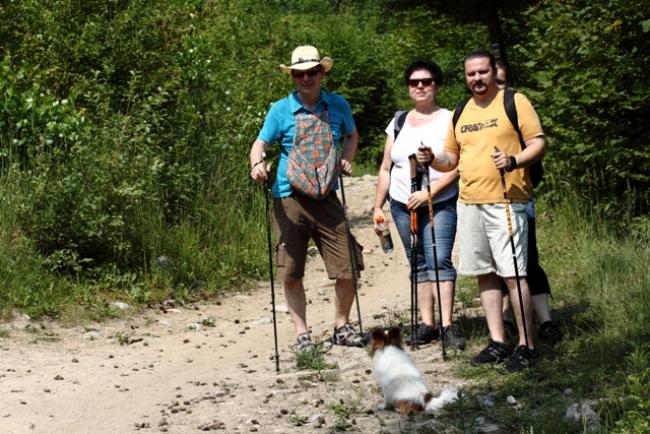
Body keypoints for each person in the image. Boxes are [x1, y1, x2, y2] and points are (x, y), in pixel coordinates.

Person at [417, 49, 547, 372]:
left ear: (492, 72)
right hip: (469, 203)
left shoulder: (515, 102)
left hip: (506, 200)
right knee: (484, 273)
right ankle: (498, 341)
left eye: (482, 72)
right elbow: (451, 159)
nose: (477, 78)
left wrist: (514, 161)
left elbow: (538, 142)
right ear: (465, 77)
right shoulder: (461, 112)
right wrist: (431, 159)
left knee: (514, 274)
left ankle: (527, 345)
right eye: (470, 74)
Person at [249, 45, 364, 352]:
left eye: (312, 72)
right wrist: (257, 165)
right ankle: (302, 334)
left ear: (321, 73)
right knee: (291, 268)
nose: (306, 78)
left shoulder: (338, 105)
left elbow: (352, 135)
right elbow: (259, 143)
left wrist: (348, 159)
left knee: (348, 265)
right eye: (300, 74)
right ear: (293, 77)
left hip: (327, 195)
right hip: (289, 197)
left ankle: (342, 326)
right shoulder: (280, 110)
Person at [372, 59, 465, 350]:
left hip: (439, 203)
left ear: (436, 85)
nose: (420, 86)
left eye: (426, 81)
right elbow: (386, 167)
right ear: (409, 87)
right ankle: (428, 324)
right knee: (418, 261)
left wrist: (430, 193)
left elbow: (458, 165)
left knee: (439, 261)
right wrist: (378, 207)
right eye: (414, 82)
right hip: (401, 204)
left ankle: (448, 326)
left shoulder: (450, 119)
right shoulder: (398, 121)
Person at [495, 61, 562, 343]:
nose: (496, 87)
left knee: (528, 261)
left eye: (501, 81)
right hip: (487, 200)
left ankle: (545, 321)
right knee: (499, 266)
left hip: (520, 197)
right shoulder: (474, 114)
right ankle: (507, 321)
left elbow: (536, 152)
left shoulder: (517, 109)